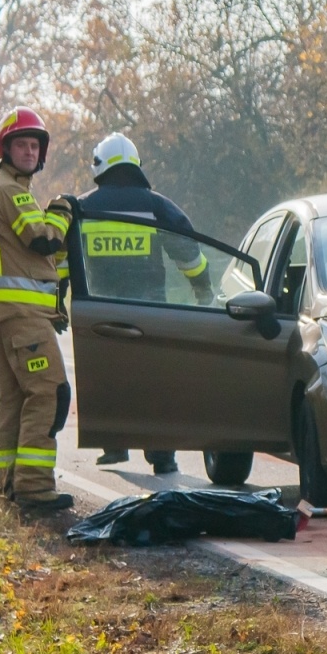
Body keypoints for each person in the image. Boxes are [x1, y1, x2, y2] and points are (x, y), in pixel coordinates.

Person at [78, 132, 211, 476]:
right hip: (152, 313)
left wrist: (57, 302)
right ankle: (162, 456)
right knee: (155, 383)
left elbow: (62, 262)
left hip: (101, 312)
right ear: (136, 165)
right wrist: (202, 289)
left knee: (107, 377)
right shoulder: (157, 206)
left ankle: (114, 444)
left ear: (100, 166)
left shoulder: (83, 207)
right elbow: (189, 252)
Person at [0, 106, 75, 512]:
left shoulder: (3, 188)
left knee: (13, 401)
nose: (30, 151)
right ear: (4, 149)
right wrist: (64, 212)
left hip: (9, 316)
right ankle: (34, 488)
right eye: (22, 144)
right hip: (21, 317)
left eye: (35, 145)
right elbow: (42, 240)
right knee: (49, 392)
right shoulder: (9, 190)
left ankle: (8, 486)